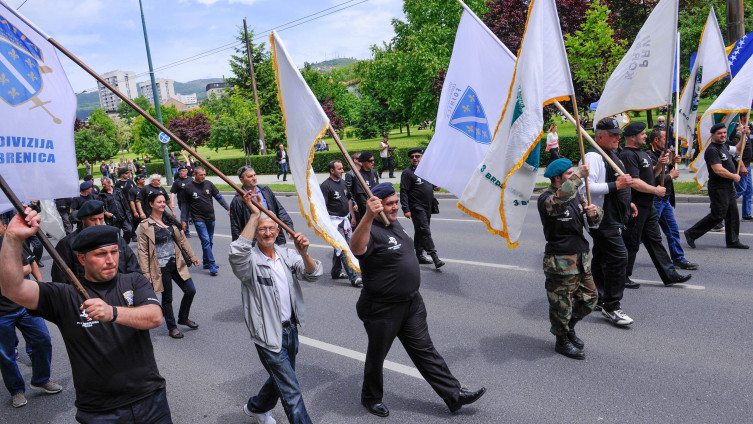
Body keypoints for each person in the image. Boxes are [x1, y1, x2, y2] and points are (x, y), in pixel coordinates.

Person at [0, 217, 172, 423]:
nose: (110, 260)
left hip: (151, 400)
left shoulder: (133, 281)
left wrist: (112, 313)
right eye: (101, 254)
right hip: (100, 411)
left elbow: (154, 317)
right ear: (82, 259)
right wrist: (11, 238)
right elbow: (13, 288)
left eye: (114, 252)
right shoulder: (64, 296)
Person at [350, 183, 486, 417]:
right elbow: (356, 248)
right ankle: (371, 398)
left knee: (425, 351)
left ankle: (453, 396)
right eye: (389, 203)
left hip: (411, 304)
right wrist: (368, 216)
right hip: (383, 308)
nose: (395, 207)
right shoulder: (370, 228)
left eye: (395, 202)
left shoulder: (394, 223)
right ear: (376, 205)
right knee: (377, 354)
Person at [229, 192, 322, 424]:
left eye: (272, 228)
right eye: (262, 229)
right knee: (292, 392)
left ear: (278, 232)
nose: (268, 232)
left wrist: (304, 253)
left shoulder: (285, 254)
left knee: (282, 378)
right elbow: (236, 253)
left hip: (291, 331)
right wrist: (255, 214)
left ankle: (256, 407)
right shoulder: (249, 261)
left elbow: (312, 274)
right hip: (268, 335)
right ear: (255, 232)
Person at [538, 159, 601, 360]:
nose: (573, 177)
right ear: (557, 178)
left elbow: (593, 221)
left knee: (590, 299)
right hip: (560, 260)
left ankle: (568, 327)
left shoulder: (575, 195)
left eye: (573, 174)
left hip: (581, 257)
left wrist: (594, 213)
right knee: (561, 304)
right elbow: (557, 204)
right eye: (568, 174)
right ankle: (561, 340)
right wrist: (577, 178)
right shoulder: (547, 198)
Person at [619, 122, 691, 287]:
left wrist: (660, 164)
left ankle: (670, 275)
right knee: (631, 242)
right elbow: (634, 182)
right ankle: (622, 277)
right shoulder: (628, 155)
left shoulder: (642, 153)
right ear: (632, 136)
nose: (646, 136)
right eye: (643, 133)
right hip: (636, 206)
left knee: (655, 240)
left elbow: (650, 174)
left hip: (648, 205)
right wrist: (655, 190)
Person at [0, 217, 62, 408]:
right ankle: (17, 390)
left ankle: (41, 379)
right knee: (6, 354)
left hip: (25, 305)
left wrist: (41, 287)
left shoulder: (12, 242)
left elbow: (30, 263)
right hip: (1, 313)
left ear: (4, 226)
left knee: (42, 340)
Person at [581, 117, 636, 327]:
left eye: (617, 134)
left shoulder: (613, 154)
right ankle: (612, 306)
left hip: (615, 215)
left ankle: (597, 295)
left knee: (602, 256)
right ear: (599, 136)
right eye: (612, 134)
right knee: (619, 257)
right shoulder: (593, 157)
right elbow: (585, 188)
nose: (616, 137)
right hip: (601, 219)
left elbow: (620, 185)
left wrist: (627, 203)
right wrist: (616, 186)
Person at [138, 192, 199, 340]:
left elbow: (182, 240)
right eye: (159, 202)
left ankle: (183, 317)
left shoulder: (170, 220)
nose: (162, 204)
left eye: (163, 202)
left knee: (190, 290)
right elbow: (142, 250)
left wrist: (193, 257)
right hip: (160, 267)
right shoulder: (146, 225)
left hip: (177, 263)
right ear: (151, 204)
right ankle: (172, 327)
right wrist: (146, 272)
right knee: (167, 298)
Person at [685, 123, 749, 249]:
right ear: (713, 135)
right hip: (718, 187)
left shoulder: (724, 145)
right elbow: (718, 170)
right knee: (718, 215)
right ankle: (691, 234)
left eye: (724, 133)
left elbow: (737, 149)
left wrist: (743, 135)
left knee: (733, 214)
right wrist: (733, 176)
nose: (723, 135)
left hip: (728, 186)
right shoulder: (712, 150)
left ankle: (733, 241)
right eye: (719, 133)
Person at [51, 200, 141, 285]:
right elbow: (60, 278)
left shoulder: (115, 238)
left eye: (101, 219)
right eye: (93, 220)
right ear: (83, 219)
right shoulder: (68, 243)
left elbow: (133, 265)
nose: (98, 223)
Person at [647, 127, 698, 270]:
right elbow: (652, 179)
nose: (668, 141)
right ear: (656, 140)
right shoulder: (649, 155)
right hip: (656, 199)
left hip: (665, 199)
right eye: (664, 138)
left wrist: (672, 162)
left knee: (673, 230)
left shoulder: (664, 153)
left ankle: (678, 259)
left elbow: (666, 170)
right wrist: (671, 176)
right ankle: (621, 257)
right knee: (642, 235)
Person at [180, 166, 230, 276]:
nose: (203, 177)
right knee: (206, 240)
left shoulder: (209, 184)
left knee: (209, 241)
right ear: (195, 175)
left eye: (204, 175)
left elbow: (219, 197)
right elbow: (185, 205)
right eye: (200, 175)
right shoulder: (188, 188)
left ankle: (206, 262)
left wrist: (228, 208)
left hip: (210, 217)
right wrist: (183, 220)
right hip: (198, 219)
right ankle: (212, 264)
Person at [400, 148, 444, 268]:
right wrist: (406, 209)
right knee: (425, 230)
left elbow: (432, 183)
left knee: (421, 231)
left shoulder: (426, 170)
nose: (415, 158)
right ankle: (435, 257)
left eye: (417, 156)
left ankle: (419, 256)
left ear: (422, 157)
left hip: (428, 205)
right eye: (412, 156)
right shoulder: (407, 173)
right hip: (416, 207)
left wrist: (436, 186)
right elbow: (403, 191)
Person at [320, 160, 362, 287]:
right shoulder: (325, 186)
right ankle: (353, 277)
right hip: (333, 222)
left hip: (345, 220)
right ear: (332, 170)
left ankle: (336, 271)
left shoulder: (343, 183)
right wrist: (326, 225)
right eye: (339, 169)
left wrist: (353, 212)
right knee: (343, 247)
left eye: (342, 168)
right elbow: (322, 207)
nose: (342, 171)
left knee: (340, 247)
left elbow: (348, 198)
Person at [230, 166, 294, 245]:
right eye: (250, 176)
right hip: (255, 243)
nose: (254, 178)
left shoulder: (265, 190)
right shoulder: (237, 201)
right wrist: (240, 249)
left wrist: (289, 228)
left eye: (254, 175)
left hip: (273, 238)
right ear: (242, 180)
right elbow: (236, 227)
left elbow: (279, 210)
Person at [98, 177, 135, 243]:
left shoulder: (118, 191)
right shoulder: (101, 195)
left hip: (123, 216)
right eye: (102, 184)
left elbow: (125, 202)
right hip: (113, 219)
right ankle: (118, 247)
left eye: (104, 184)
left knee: (129, 230)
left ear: (109, 183)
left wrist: (128, 212)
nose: (103, 186)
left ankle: (124, 244)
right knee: (115, 235)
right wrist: (106, 213)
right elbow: (100, 206)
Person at [730, 117, 753, 220]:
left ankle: (746, 214)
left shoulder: (744, 131)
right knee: (740, 189)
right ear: (743, 118)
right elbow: (736, 152)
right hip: (741, 166)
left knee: (748, 191)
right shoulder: (737, 131)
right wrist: (742, 166)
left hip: (747, 165)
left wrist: (747, 134)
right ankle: (723, 206)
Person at [351, 152, 379, 226]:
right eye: (370, 161)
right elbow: (361, 198)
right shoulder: (358, 176)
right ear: (363, 162)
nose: (373, 162)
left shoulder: (374, 172)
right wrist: (370, 210)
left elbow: (378, 189)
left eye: (373, 160)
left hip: (376, 207)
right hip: (367, 211)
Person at [170, 166, 193, 238]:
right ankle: (186, 231)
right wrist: (172, 202)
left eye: (183, 171)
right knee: (184, 216)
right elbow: (173, 192)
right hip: (182, 201)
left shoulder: (191, 179)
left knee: (194, 215)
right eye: (180, 171)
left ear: (186, 172)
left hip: (192, 201)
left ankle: (191, 218)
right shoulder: (177, 182)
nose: (182, 172)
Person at [345, 152, 362, 221]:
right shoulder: (350, 174)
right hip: (356, 204)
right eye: (361, 159)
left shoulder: (364, 172)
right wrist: (354, 203)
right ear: (355, 160)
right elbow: (349, 191)